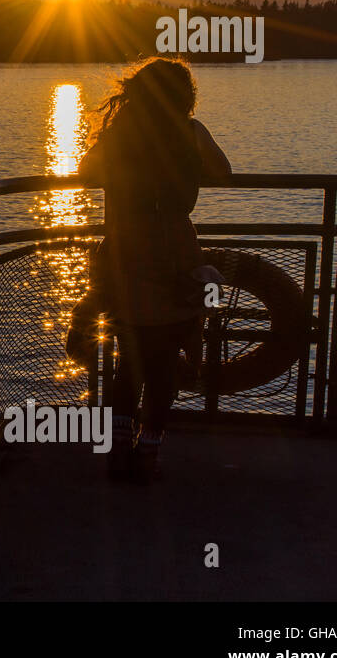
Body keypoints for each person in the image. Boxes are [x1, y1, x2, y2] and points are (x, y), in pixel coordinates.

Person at [79, 57, 231, 481]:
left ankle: (117, 451)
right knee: (164, 358)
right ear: (185, 96)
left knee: (130, 356)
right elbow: (224, 171)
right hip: (175, 250)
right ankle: (149, 451)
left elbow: (84, 171)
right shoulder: (191, 131)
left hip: (126, 250)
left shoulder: (121, 134)